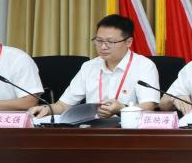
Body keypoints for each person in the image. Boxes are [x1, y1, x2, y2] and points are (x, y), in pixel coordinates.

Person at [29, 14, 160, 120]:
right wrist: (47, 109)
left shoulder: (144, 66)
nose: (103, 47)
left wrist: (122, 109)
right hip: (92, 129)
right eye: (99, 41)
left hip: (128, 131)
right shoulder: (89, 67)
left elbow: (148, 107)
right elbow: (63, 105)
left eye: (110, 42)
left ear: (129, 42)